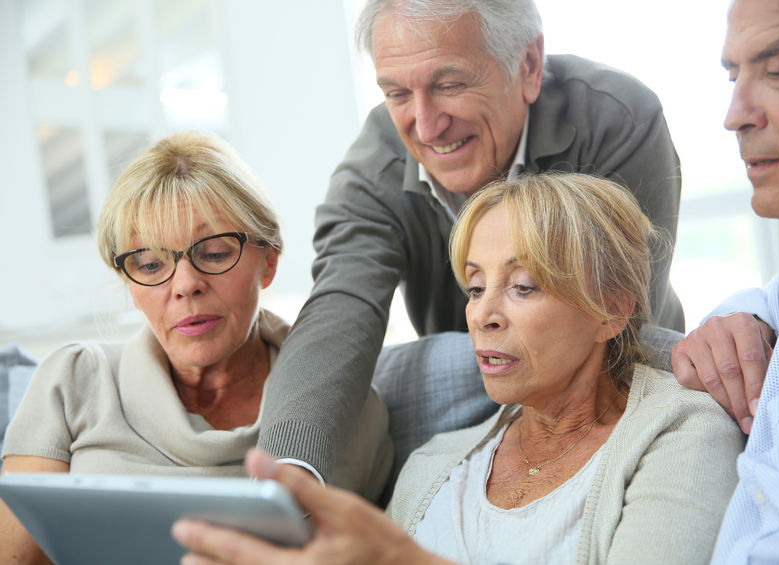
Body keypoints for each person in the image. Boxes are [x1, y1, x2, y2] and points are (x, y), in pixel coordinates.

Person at [175, 173, 743, 565]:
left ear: (614, 309)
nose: (483, 315)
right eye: (474, 287)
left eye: (522, 286)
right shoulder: (435, 467)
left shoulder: (680, 429)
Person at [258, 0, 685, 489]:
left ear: (527, 66)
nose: (425, 124)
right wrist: (287, 473)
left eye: (450, 85)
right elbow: (340, 308)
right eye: (396, 93)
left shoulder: (616, 119)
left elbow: (620, 322)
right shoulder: (373, 168)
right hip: (480, 397)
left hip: (621, 382)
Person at [0, 131, 392, 565]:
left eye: (215, 252)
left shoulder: (350, 411)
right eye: (150, 264)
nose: (186, 285)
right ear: (129, 283)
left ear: (270, 260)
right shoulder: (73, 380)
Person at [670, 0, 779, 561]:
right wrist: (742, 316)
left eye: (777, 72)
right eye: (733, 75)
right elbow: (774, 294)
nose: (735, 114)